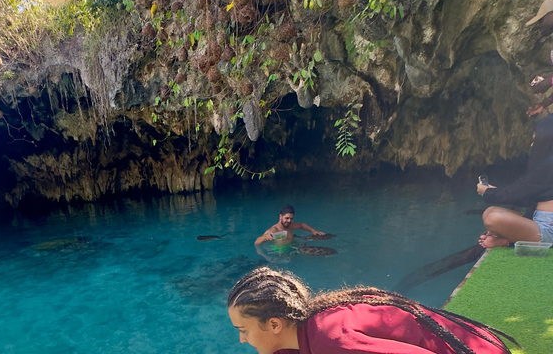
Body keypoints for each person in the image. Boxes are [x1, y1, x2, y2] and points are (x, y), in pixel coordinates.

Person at [227, 266, 516, 354]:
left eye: (243, 330)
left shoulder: (333, 339)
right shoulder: (305, 331)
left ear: (275, 325)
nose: (241, 339)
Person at [477, 114, 553, 248]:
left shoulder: (549, 166)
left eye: (535, 140)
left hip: (548, 230)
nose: (532, 144)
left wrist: (487, 192)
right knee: (491, 211)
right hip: (537, 218)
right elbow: (526, 197)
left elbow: (519, 190)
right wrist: (492, 191)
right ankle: (508, 237)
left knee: (492, 218)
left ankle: (509, 239)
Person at [254, 205, 324, 246]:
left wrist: (313, 231)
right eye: (287, 218)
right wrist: (266, 237)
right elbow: (256, 242)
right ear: (280, 216)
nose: (289, 221)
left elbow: (302, 225)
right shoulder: (275, 230)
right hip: (280, 253)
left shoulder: (290, 226)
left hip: (292, 248)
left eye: (291, 218)